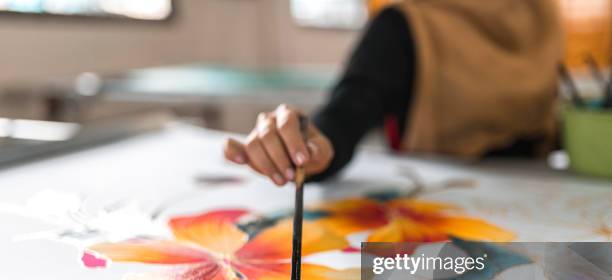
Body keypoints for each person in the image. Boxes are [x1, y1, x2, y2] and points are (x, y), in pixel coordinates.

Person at [224, 0, 563, 186]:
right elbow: (348, 111)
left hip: (549, 225)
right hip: (433, 250)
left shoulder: (543, 21)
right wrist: (313, 143)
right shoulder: (405, 27)